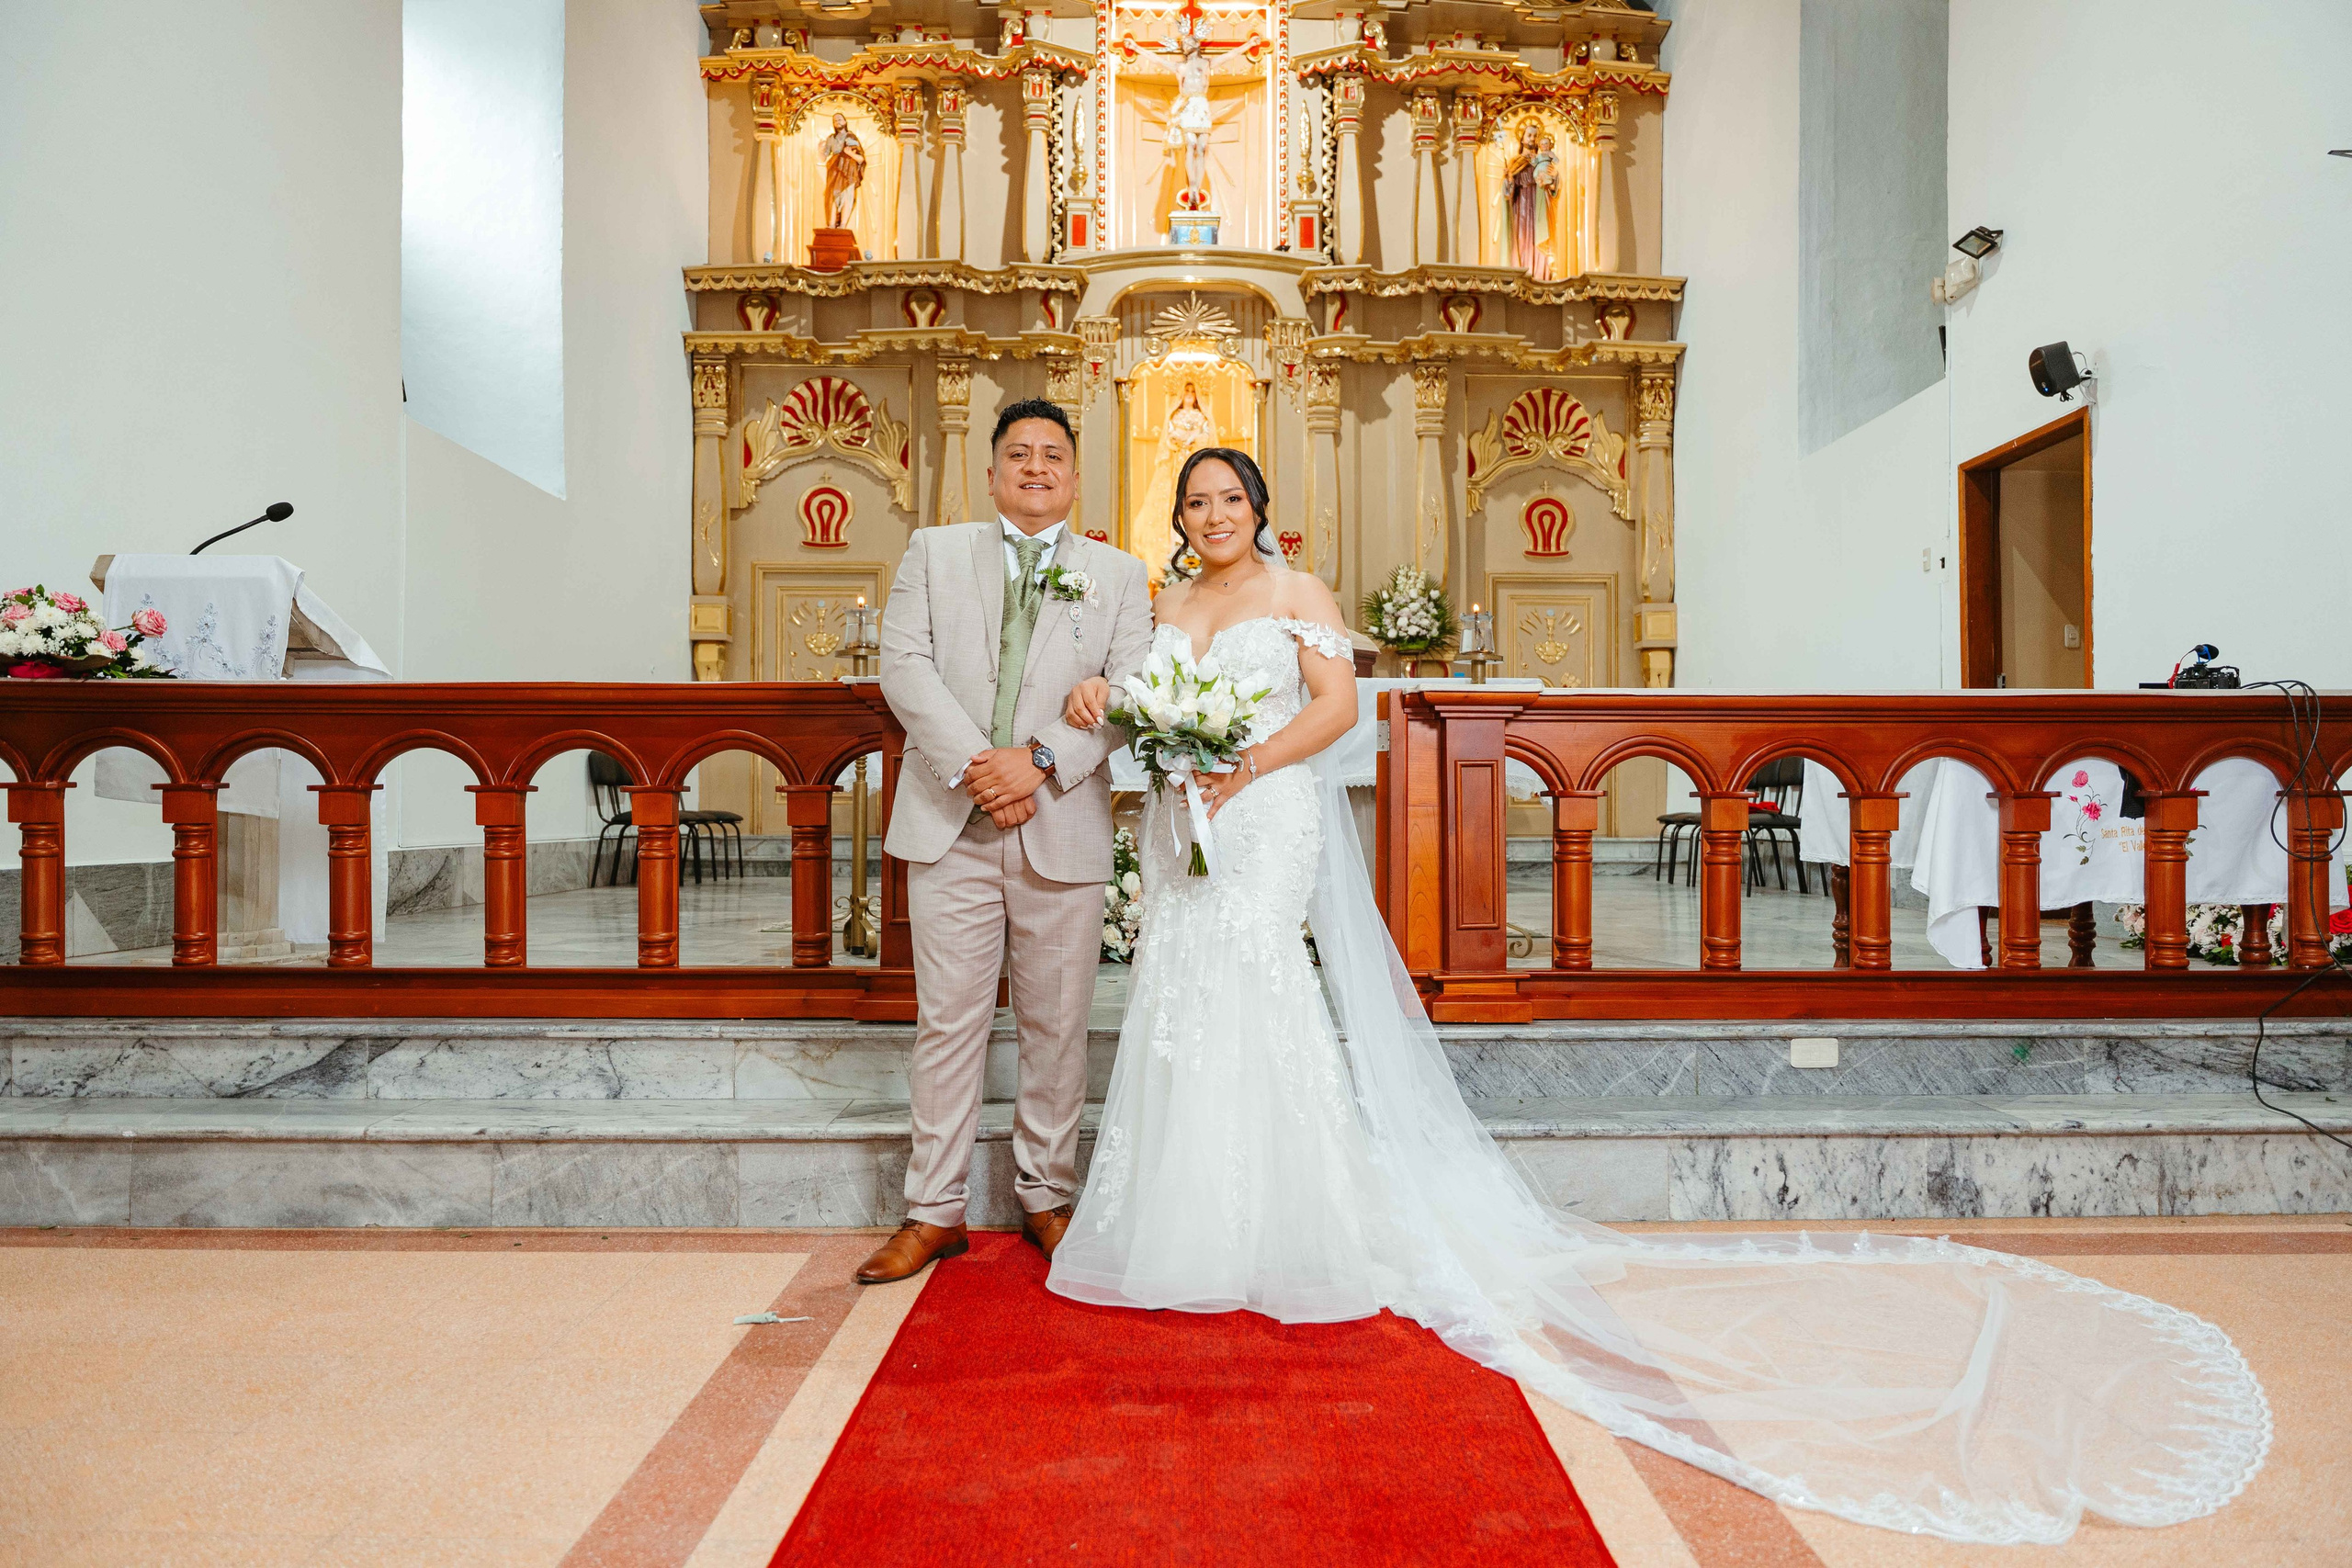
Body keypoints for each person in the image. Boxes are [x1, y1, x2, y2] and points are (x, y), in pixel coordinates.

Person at [1042, 446, 2271, 1545]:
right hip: (1184, 821)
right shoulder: (1167, 601)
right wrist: (1156, 738)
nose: (1212, 515)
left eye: (1230, 498)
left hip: (1266, 818)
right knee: (1181, 990)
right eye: (1195, 500)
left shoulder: (1296, 595)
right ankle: (1185, 1214)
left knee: (1263, 988)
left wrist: (1242, 760)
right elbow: (1144, 702)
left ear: (1263, 510)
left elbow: (1335, 705)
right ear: (1181, 515)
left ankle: (1290, 1218)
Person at [867, 398, 1154, 1284]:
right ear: (991, 472)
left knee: (1057, 1023)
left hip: (1058, 817)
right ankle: (932, 1210)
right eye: (1019, 454)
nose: (1036, 468)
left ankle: (1046, 1192)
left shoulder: (1118, 574)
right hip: (951, 818)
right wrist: (976, 766)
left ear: (1075, 477)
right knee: (948, 1022)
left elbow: (1134, 688)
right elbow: (904, 666)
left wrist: (1036, 762)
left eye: (1053, 456)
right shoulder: (933, 551)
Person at [820, 112, 865, 231]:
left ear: (845, 122)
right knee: (832, 195)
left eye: (840, 119)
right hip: (834, 169)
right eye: (835, 121)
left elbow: (860, 158)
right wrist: (820, 150)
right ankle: (832, 224)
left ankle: (843, 225)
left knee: (847, 196)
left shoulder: (851, 137)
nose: (837, 122)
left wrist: (849, 153)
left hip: (848, 169)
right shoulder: (831, 139)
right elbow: (823, 157)